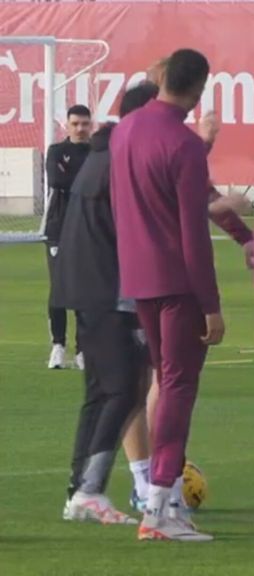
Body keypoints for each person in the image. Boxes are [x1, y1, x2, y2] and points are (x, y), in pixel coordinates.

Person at [111, 48, 224, 542]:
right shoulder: (185, 145)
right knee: (178, 387)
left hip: (137, 277)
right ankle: (160, 507)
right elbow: (194, 235)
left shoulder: (125, 131)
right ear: (199, 88)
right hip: (177, 282)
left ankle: (162, 496)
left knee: (165, 382)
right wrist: (212, 305)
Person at [53, 83, 160, 525]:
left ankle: (81, 490)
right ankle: (90, 488)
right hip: (107, 292)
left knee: (101, 392)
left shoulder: (102, 155)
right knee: (122, 389)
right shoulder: (120, 161)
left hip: (84, 289)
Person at [44, 104, 92, 370]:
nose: (80, 129)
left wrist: (77, 180)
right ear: (68, 125)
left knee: (86, 291)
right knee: (58, 289)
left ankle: (82, 349)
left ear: (90, 125)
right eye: (75, 124)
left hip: (88, 230)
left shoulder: (97, 151)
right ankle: (58, 346)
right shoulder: (57, 151)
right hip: (58, 229)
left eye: (85, 124)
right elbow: (56, 181)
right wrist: (87, 182)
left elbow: (103, 181)